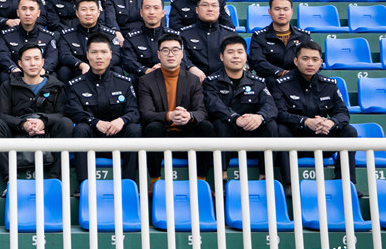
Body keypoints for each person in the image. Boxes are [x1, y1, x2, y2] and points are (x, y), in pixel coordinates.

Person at [270, 41, 358, 192]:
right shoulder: (282, 84)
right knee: (281, 130)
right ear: (296, 61)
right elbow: (279, 113)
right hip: (294, 142)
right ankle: (289, 184)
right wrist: (305, 121)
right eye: (305, 59)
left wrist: (331, 123)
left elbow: (343, 113)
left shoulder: (329, 85)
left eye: (315, 59)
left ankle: (346, 184)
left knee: (349, 131)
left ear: (320, 62)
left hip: (321, 138)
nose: (310, 63)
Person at [0, 43, 73, 187]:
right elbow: (1, 114)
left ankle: (54, 179)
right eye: (27, 59)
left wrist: (44, 121)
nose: (33, 63)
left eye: (36, 58)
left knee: (66, 123)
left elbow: (62, 113)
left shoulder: (56, 86)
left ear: (43, 62)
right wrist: (22, 124)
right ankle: (10, 180)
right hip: (16, 133)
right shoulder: (8, 85)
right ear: (20, 63)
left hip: (46, 133)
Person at [138, 34, 214, 185]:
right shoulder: (146, 81)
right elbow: (146, 114)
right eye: (165, 50)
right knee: (153, 127)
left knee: (207, 127)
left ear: (182, 53)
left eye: (175, 50)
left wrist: (189, 116)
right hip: (163, 134)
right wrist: (169, 116)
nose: (170, 54)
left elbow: (201, 111)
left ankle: (201, 181)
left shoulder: (193, 80)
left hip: (187, 133)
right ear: (158, 54)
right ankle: (154, 181)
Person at [66, 34, 141, 184]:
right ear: (87, 55)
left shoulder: (124, 83)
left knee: (134, 129)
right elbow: (74, 111)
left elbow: (134, 111)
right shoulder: (75, 84)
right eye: (94, 52)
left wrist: (122, 120)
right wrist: (94, 122)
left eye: (104, 52)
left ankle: (129, 183)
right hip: (92, 137)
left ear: (110, 54)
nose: (99, 57)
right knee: (80, 129)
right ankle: (83, 184)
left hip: (118, 136)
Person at [203, 36, 279, 177]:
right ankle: (222, 176)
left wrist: (259, 117)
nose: (236, 56)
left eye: (240, 52)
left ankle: (265, 176)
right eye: (230, 52)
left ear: (246, 56)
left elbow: (270, 106)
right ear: (221, 57)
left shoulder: (257, 82)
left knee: (271, 125)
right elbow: (214, 106)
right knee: (221, 124)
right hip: (226, 132)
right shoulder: (211, 82)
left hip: (250, 132)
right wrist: (235, 118)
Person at [121, 0, 198, 77]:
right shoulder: (132, 38)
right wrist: (146, 70)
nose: (151, 12)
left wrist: (165, 68)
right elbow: (128, 61)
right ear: (141, 13)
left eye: (156, 8)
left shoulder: (174, 37)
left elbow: (183, 61)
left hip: (170, 77)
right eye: (147, 8)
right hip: (143, 78)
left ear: (163, 13)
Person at [57, 0, 120, 82]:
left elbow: (116, 55)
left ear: (98, 13)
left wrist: (99, 66)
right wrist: (80, 64)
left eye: (92, 9)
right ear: (77, 13)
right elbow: (64, 55)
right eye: (84, 9)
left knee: (117, 70)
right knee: (64, 71)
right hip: (79, 71)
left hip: (103, 70)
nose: (88, 13)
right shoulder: (67, 34)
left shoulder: (109, 34)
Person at [249, 0, 313, 81]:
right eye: (277, 9)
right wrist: (281, 72)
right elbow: (258, 62)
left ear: (291, 12)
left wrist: (295, 74)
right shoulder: (259, 36)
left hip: (298, 80)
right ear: (269, 12)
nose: (282, 13)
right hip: (270, 81)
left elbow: (314, 60)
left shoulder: (303, 36)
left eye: (285, 9)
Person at [0, 0, 58, 82]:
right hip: (16, 75)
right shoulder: (7, 35)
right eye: (24, 9)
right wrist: (13, 68)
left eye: (32, 9)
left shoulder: (47, 36)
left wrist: (43, 69)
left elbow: (52, 57)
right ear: (18, 12)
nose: (27, 13)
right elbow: (2, 55)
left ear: (38, 13)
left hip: (40, 75)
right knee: (4, 76)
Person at [179, 0, 239, 79]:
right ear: (197, 10)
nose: (210, 9)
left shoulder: (231, 35)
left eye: (214, 6)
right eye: (205, 5)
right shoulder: (184, 34)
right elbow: (181, 57)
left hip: (224, 81)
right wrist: (190, 67)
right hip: (195, 81)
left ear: (219, 10)